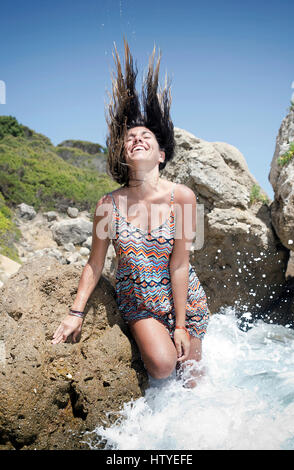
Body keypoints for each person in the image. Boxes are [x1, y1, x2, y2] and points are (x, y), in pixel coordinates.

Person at [52, 40, 210, 388]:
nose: (137, 139)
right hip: (139, 299)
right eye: (130, 138)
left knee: (193, 381)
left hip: (184, 298)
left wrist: (181, 324)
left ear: (162, 154)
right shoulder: (107, 204)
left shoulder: (183, 197)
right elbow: (95, 263)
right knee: (162, 366)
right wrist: (76, 312)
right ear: (125, 154)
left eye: (146, 136)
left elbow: (182, 262)